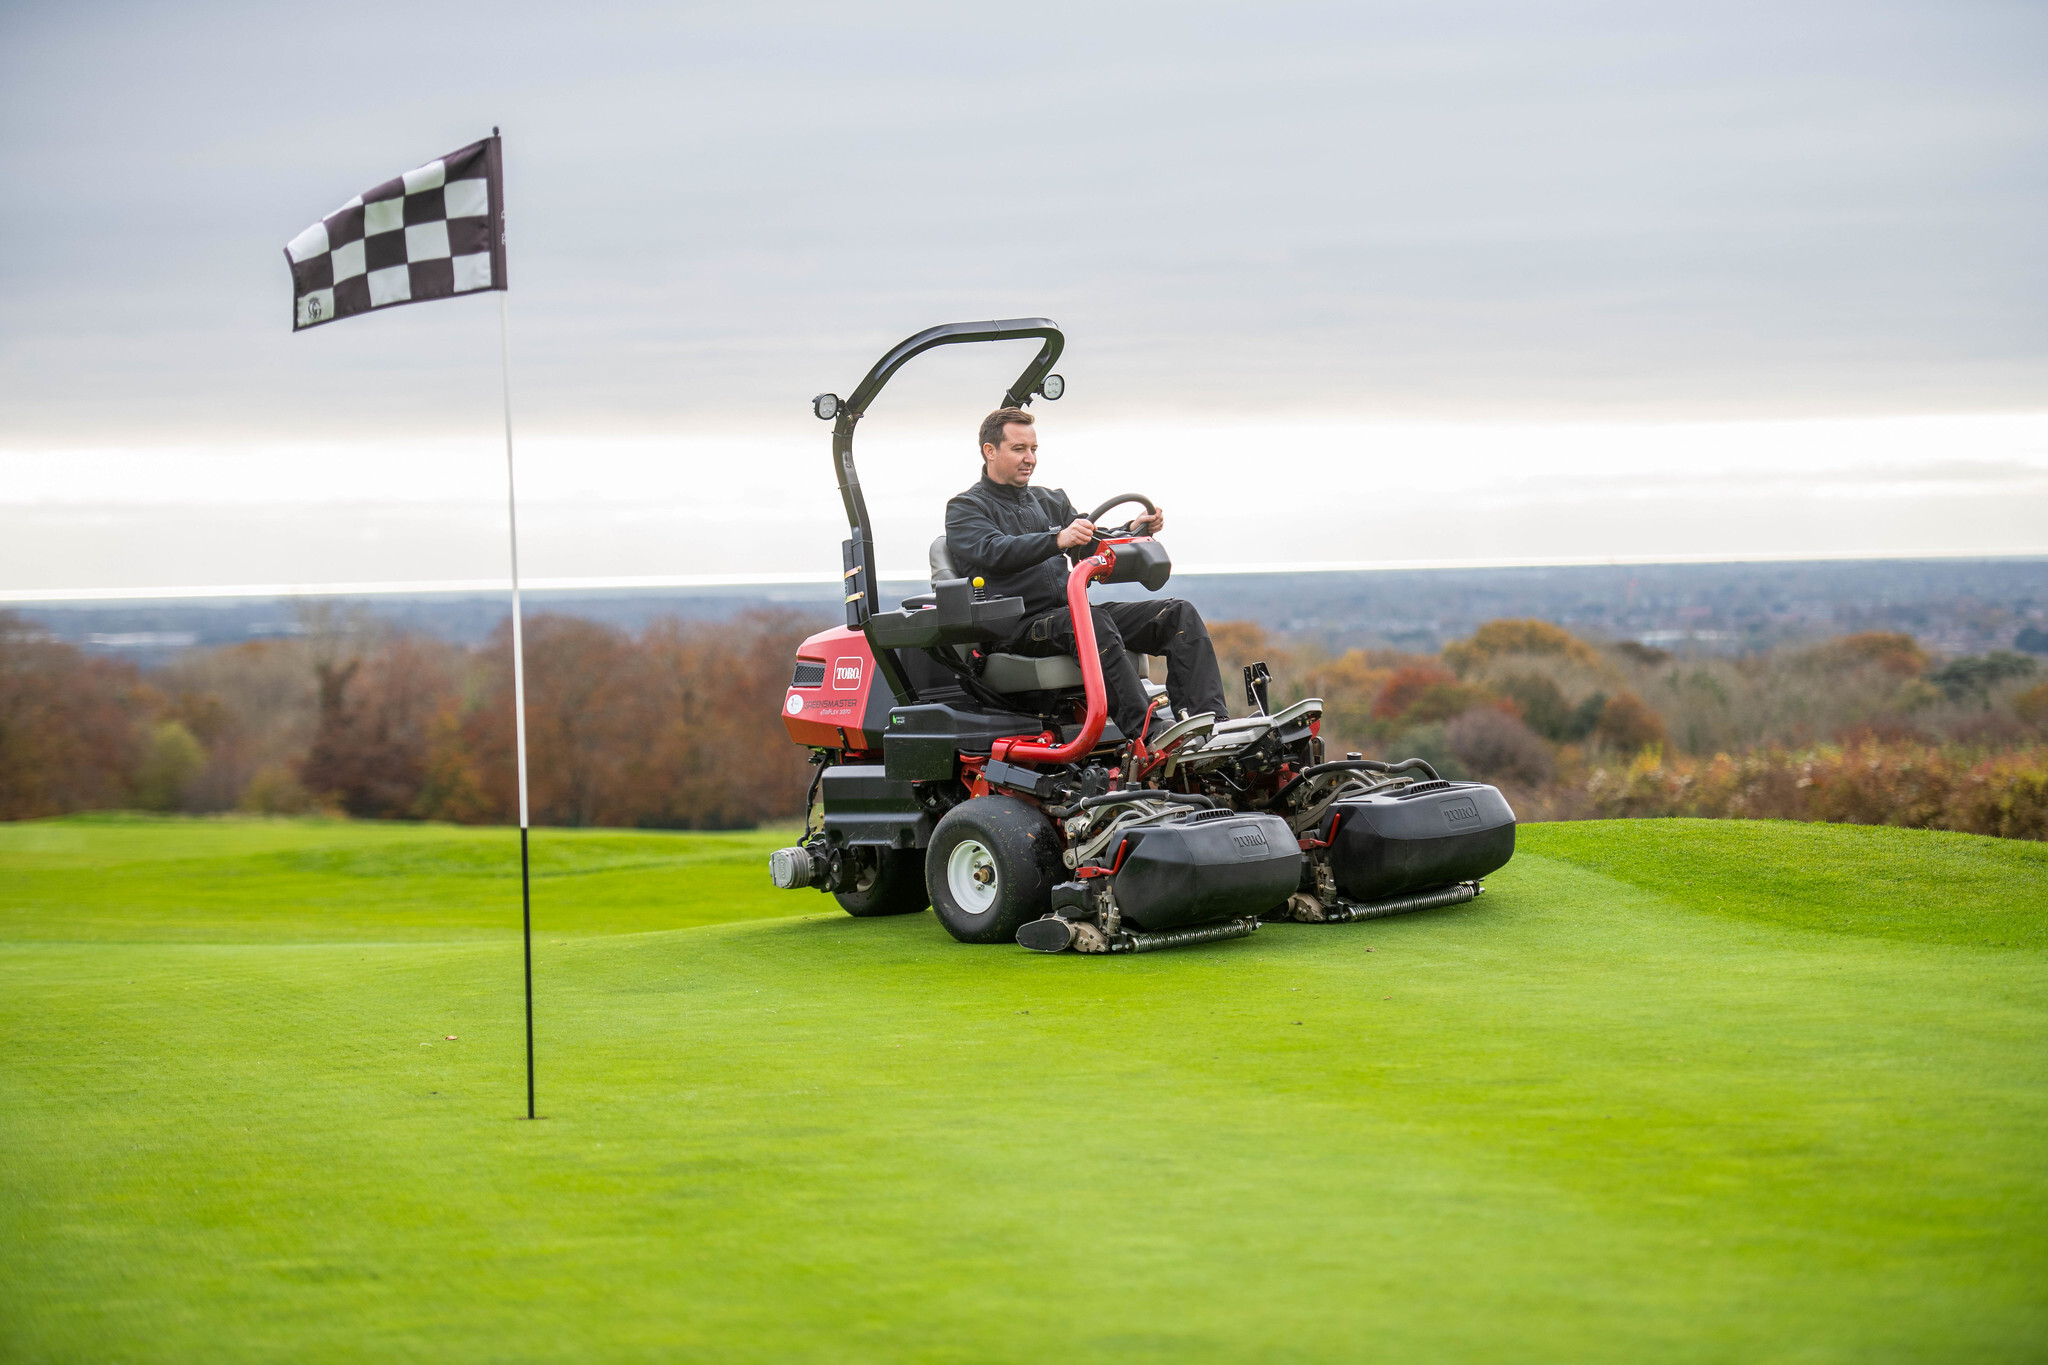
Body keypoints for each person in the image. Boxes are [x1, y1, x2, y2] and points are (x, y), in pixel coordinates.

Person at [944, 406, 1230, 744]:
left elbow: (1089, 542)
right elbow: (995, 550)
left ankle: (1210, 729)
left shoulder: (1050, 501)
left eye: (1033, 449)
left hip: (1069, 614)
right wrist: (1056, 540)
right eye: (1019, 449)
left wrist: (1132, 529)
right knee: (1091, 622)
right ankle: (1149, 736)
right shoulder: (966, 509)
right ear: (989, 451)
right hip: (1019, 627)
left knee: (1176, 614)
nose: (1029, 458)